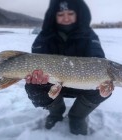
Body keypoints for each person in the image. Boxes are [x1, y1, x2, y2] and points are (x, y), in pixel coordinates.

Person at [25, 0, 114, 135]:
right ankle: (56, 113)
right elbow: (36, 60)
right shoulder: (44, 37)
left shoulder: (89, 36)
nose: (66, 18)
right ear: (54, 16)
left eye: (70, 13)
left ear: (78, 14)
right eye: (61, 14)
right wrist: (38, 78)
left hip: (81, 83)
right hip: (53, 82)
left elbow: (98, 60)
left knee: (104, 83)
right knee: (33, 86)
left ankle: (77, 117)